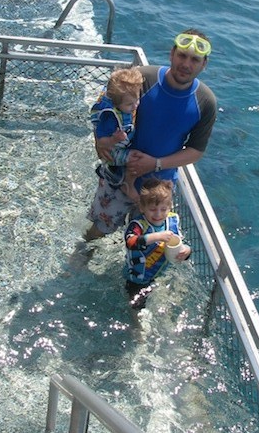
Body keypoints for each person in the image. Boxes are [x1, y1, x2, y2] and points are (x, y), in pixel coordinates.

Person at [82, 28, 217, 245]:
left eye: (195, 59)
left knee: (146, 244)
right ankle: (79, 258)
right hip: (118, 175)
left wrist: (155, 163)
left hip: (157, 190)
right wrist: (101, 141)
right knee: (98, 229)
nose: (186, 64)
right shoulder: (142, 77)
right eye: (182, 55)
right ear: (171, 54)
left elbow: (195, 152)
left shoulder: (205, 101)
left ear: (204, 64)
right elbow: (104, 110)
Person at [123, 178, 191, 309]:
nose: (158, 214)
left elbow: (182, 243)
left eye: (163, 209)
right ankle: (137, 327)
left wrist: (187, 251)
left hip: (160, 273)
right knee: (137, 306)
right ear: (142, 208)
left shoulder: (172, 220)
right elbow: (131, 242)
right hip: (137, 279)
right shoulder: (138, 225)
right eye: (153, 209)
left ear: (170, 206)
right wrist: (157, 236)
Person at [90, 66, 143, 200]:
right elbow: (102, 142)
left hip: (124, 144)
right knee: (135, 158)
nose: (135, 105)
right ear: (116, 104)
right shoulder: (111, 119)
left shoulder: (129, 105)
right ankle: (127, 184)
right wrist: (114, 139)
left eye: (137, 99)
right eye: (129, 104)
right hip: (112, 151)